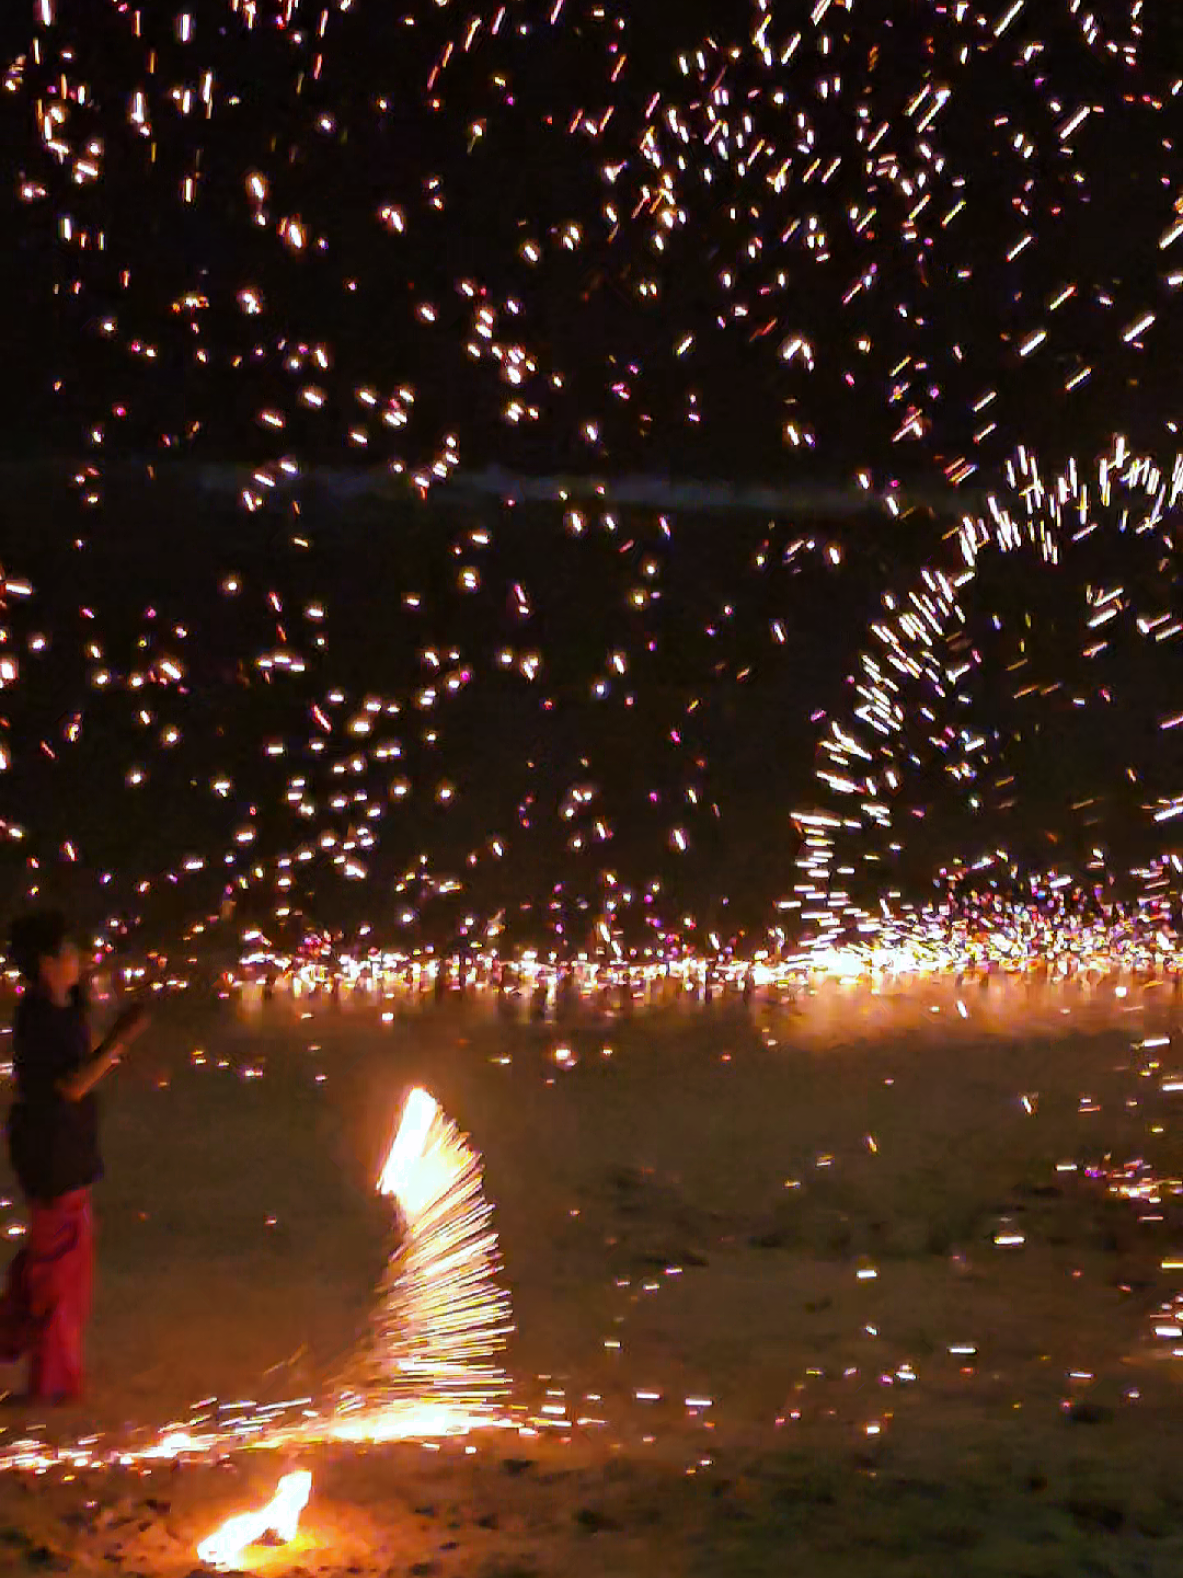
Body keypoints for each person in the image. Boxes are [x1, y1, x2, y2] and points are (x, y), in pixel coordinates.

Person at [0, 911, 148, 1403]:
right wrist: (119, 1042)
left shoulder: (62, 1013)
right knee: (59, 1274)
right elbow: (69, 1086)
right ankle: (52, 1389)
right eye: (68, 953)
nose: (78, 960)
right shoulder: (37, 1016)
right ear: (45, 964)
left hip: (65, 1155)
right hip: (52, 1157)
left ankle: (33, 1357)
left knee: (60, 1267)